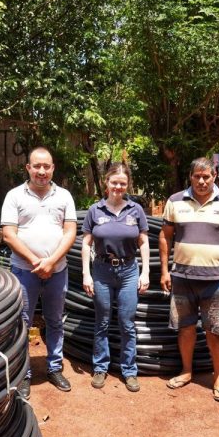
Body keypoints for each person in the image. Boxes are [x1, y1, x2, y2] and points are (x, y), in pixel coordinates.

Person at [159, 157, 219, 402]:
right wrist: (165, 271)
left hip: (216, 280)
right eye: (197, 176)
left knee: (216, 331)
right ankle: (186, 371)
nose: (201, 181)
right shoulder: (175, 201)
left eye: (206, 176)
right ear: (190, 176)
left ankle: (218, 376)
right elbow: (165, 236)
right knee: (185, 328)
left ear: (215, 176)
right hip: (182, 278)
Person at [1, 147, 77, 397]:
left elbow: (70, 232)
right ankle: (24, 373)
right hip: (25, 272)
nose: (42, 171)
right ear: (28, 168)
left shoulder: (64, 196)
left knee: (55, 320)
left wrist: (52, 262)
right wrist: (37, 261)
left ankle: (54, 368)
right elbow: (9, 235)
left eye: (46, 166)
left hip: (58, 271)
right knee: (22, 322)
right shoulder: (14, 196)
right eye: (37, 166)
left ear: (53, 168)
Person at [81, 163, 150, 392]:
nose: (118, 187)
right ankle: (100, 367)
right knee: (102, 321)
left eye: (122, 183)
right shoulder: (95, 210)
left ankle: (129, 371)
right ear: (106, 182)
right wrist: (86, 274)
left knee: (126, 323)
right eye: (114, 182)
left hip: (129, 271)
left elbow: (143, 242)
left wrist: (146, 271)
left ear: (127, 184)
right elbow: (86, 243)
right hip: (101, 271)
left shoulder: (135, 209)